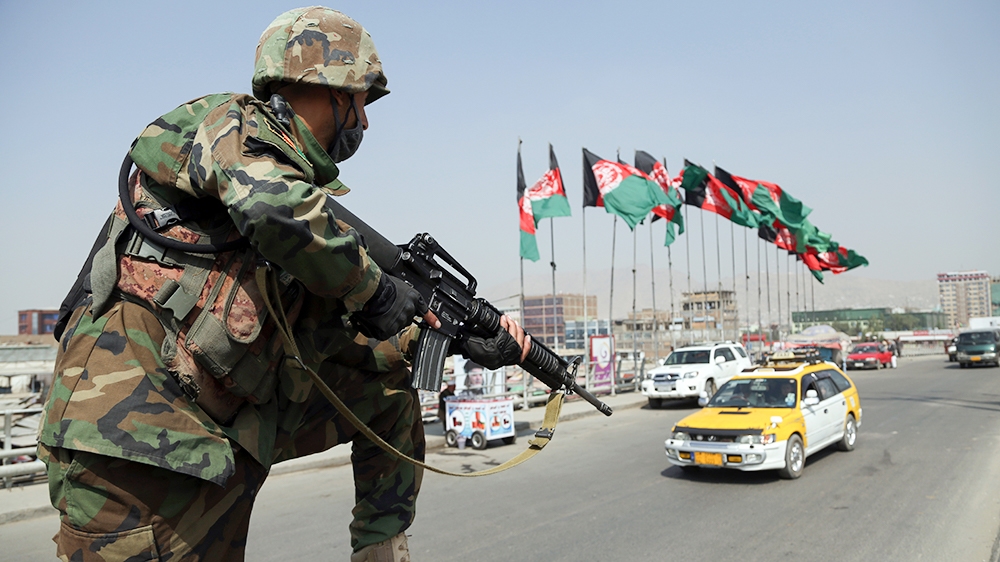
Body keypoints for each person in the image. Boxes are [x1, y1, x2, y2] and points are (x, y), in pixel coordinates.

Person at [37, 7, 529, 562]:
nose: (365, 121)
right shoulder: (230, 127)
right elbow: (274, 210)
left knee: (389, 388)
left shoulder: (304, 221)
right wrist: (378, 290)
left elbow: (337, 339)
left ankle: (380, 548)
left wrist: (449, 339)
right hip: (131, 440)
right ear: (330, 85)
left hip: (215, 439)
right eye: (362, 100)